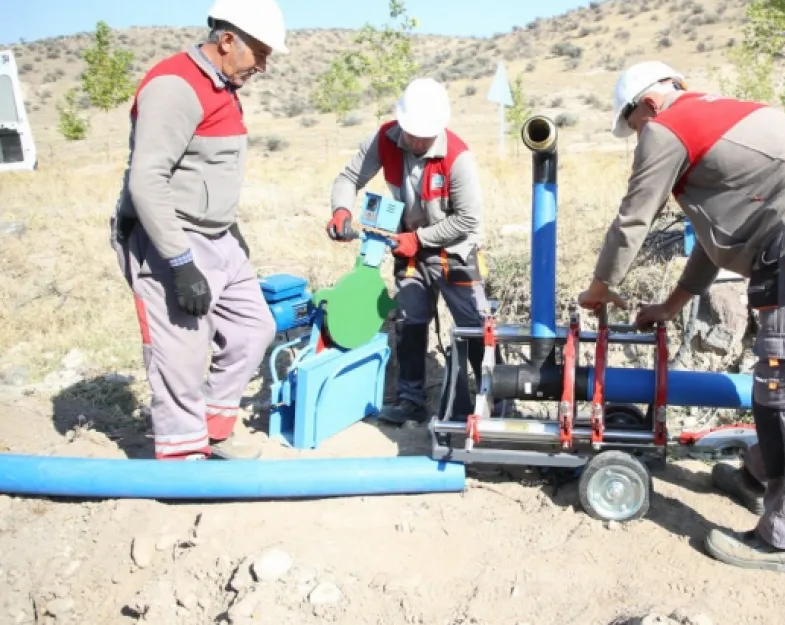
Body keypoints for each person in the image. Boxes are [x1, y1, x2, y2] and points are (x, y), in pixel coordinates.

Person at [577, 61, 785, 576]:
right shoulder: (716, 121)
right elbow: (715, 239)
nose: (638, 138)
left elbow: (633, 218)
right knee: (781, 370)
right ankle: (757, 476)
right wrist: (673, 305)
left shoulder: (667, 127)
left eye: (632, 125)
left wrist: (600, 288)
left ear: (649, 104)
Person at [109, 0, 288, 460]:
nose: (263, 66)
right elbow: (147, 181)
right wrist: (181, 262)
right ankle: (182, 459)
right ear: (228, 41)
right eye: (260, 54)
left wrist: (232, 237)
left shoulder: (223, 85)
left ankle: (210, 429)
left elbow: (209, 173)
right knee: (182, 357)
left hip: (220, 238)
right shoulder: (175, 85)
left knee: (254, 328)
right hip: (175, 239)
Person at [327, 77, 509, 426]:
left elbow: (468, 219)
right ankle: (411, 401)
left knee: (474, 325)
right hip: (409, 251)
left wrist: (420, 238)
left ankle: (498, 406)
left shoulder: (457, 157)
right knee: (410, 322)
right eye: (411, 132)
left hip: (454, 252)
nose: (415, 140)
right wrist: (341, 210)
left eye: (424, 134)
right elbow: (348, 178)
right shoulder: (385, 139)